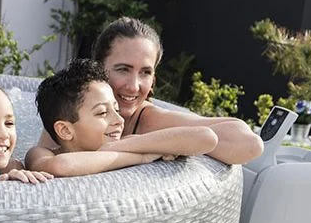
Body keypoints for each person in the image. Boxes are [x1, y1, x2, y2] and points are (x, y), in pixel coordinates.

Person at [90, 16, 264, 165]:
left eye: (145, 72)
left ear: (153, 79)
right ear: (96, 68)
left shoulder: (150, 121)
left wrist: (129, 144)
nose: (134, 86)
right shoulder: (76, 105)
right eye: (123, 69)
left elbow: (249, 144)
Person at [25, 59, 219, 176]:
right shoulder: (41, 153)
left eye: (116, 109)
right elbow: (60, 166)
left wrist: (122, 146)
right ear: (65, 130)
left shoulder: (127, 143)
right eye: (102, 112)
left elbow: (206, 138)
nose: (119, 120)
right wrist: (140, 157)